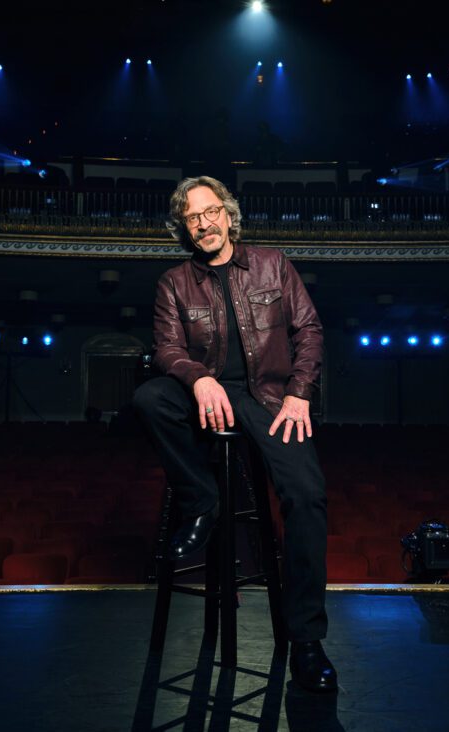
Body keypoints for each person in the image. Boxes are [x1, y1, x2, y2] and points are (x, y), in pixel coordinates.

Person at [132, 176, 336, 693]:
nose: (204, 223)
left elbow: (309, 330)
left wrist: (299, 392)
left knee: (307, 496)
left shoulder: (272, 263)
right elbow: (165, 348)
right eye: (192, 217)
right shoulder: (173, 283)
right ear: (184, 227)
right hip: (208, 396)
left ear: (228, 214)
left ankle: (307, 643)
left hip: (269, 397)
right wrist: (199, 378)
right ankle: (203, 500)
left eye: (211, 211)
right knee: (151, 397)